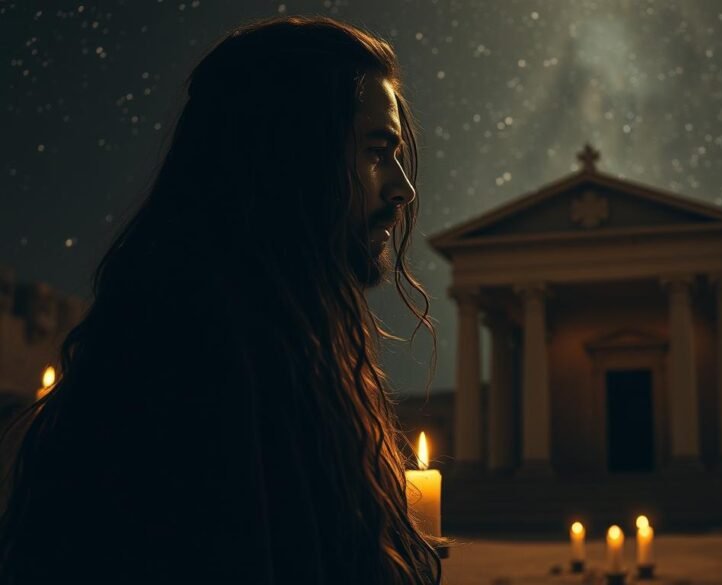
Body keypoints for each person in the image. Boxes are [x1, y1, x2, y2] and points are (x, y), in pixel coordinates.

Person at [0, 15, 442, 584]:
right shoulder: (194, 375)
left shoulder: (279, 356)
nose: (403, 188)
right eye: (379, 151)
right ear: (289, 157)